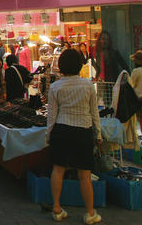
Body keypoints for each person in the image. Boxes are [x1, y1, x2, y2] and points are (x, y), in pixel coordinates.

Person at [46, 49, 102, 224]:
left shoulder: (55, 86)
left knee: (58, 169)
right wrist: (98, 134)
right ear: (80, 65)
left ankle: (56, 208)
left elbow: (51, 115)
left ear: (61, 66)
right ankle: (90, 213)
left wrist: (48, 135)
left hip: (61, 130)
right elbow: (94, 113)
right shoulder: (87, 85)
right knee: (84, 174)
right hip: (83, 130)